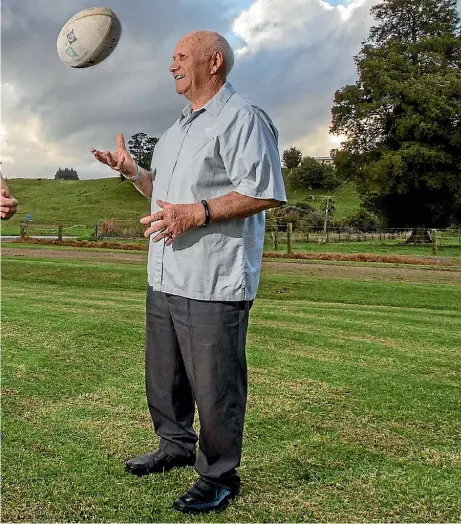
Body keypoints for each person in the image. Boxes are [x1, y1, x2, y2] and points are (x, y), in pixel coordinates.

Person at [91, 30, 286, 514]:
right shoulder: (177, 129)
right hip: (164, 276)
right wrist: (134, 174)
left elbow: (264, 191)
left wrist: (195, 213)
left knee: (215, 383)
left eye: (181, 57)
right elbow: (164, 196)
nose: (172, 65)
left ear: (213, 61)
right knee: (165, 377)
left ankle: (219, 474)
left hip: (214, 280)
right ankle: (174, 445)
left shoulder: (243, 119)